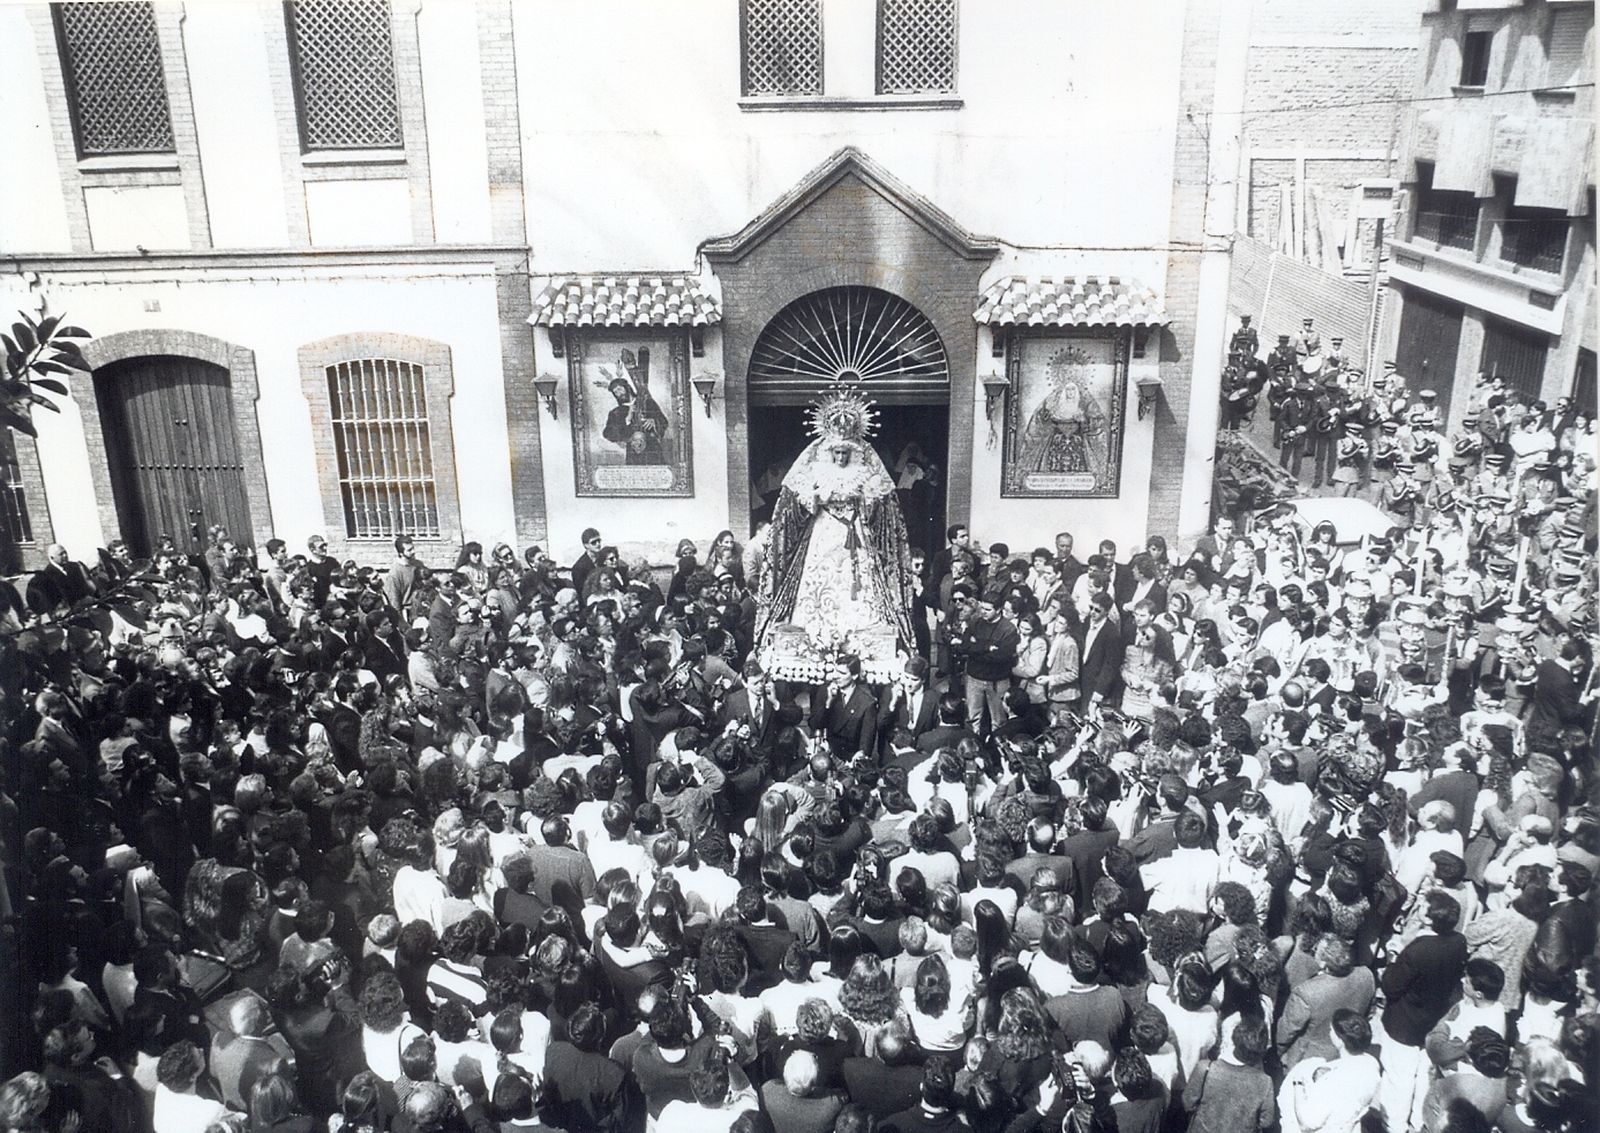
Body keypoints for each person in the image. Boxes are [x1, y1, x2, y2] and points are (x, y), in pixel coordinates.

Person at [752, 390, 915, 674]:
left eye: (845, 452)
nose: (841, 457)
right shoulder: (815, 464)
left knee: (861, 581)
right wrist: (815, 497)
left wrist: (865, 499)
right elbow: (795, 501)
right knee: (816, 580)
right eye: (837, 452)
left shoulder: (866, 465)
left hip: (854, 532)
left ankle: (859, 632)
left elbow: (883, 504)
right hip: (823, 531)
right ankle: (814, 630)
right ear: (829, 450)